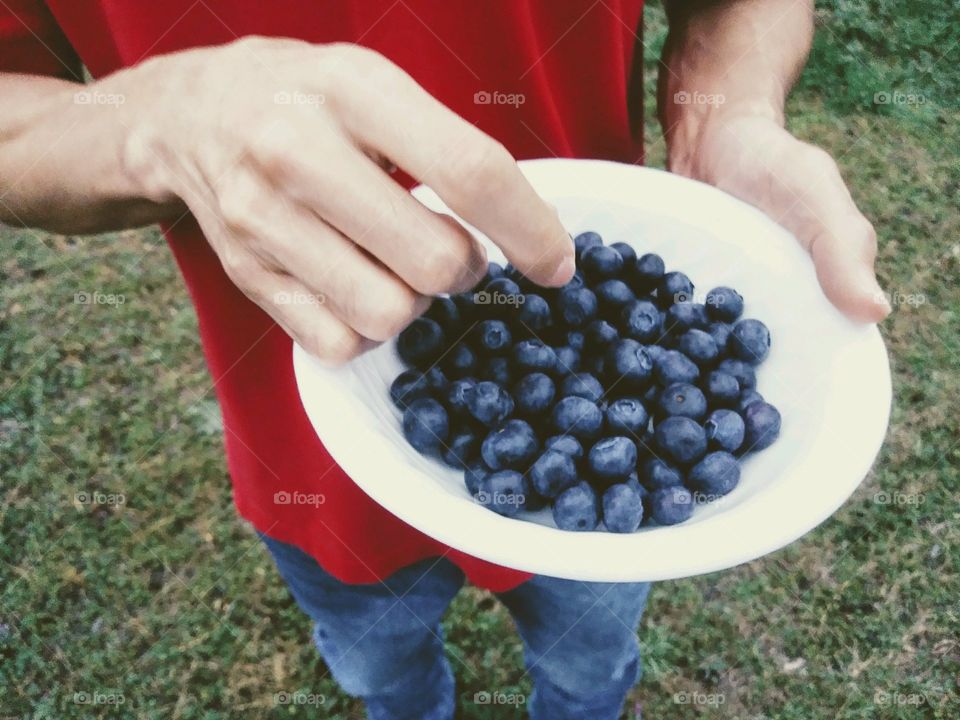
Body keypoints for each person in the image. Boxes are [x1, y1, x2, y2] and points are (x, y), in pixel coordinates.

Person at [0, 1, 888, 718]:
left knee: (588, 670)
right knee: (379, 672)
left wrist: (725, 110)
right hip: (310, 434)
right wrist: (156, 123)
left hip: (581, 458)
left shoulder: (641, 413)